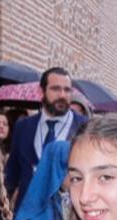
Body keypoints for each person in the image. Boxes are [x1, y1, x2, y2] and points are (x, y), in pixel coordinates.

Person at [6, 68, 87, 210]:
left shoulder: (85, 127)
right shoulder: (24, 127)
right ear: (41, 91)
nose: (62, 95)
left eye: (67, 90)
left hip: (69, 219)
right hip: (28, 219)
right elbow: (12, 175)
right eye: (55, 89)